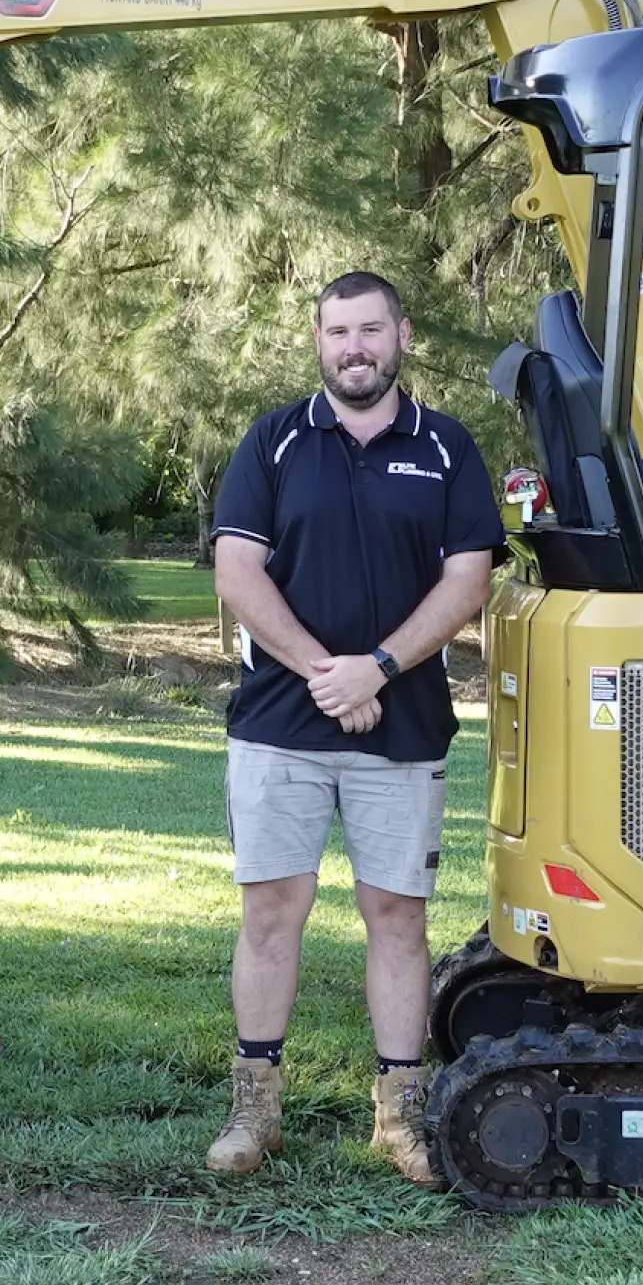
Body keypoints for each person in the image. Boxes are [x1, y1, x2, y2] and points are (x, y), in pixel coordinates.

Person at [205, 271, 504, 1184]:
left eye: (370, 330)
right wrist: (324, 674)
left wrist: (374, 670)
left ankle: (400, 1118)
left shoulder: (446, 449)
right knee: (270, 914)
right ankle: (253, 1114)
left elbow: (469, 580)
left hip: (401, 724)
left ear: (402, 335)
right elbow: (237, 572)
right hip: (279, 726)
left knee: (398, 919)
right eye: (338, 332)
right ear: (319, 340)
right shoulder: (275, 440)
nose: (354, 348)